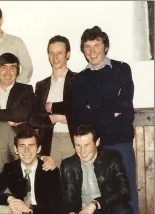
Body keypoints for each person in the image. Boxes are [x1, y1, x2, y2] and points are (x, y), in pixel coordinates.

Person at [72, 26, 138, 214]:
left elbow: (124, 108)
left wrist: (94, 109)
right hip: (95, 147)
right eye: (87, 47)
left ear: (106, 47)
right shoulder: (79, 79)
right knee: (100, 197)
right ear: (83, 50)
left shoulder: (122, 69)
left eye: (97, 45)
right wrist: (111, 111)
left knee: (128, 194)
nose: (92, 51)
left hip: (121, 141)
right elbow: (82, 116)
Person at [0, 127, 62, 214]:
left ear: (38, 149)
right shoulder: (11, 168)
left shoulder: (50, 171)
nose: (26, 151)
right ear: (16, 149)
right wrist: (10, 199)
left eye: (31, 146)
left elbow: (56, 208)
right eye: (22, 146)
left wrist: (29, 209)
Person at [61, 124, 133, 214]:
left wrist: (96, 203)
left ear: (97, 142)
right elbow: (69, 199)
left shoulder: (112, 158)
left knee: (124, 210)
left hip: (108, 208)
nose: (82, 151)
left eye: (87, 145)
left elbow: (125, 192)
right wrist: (71, 211)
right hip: (83, 211)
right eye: (78, 145)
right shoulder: (68, 165)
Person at [30, 35, 76, 167]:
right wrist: (56, 118)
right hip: (49, 141)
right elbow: (34, 119)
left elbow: (79, 110)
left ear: (68, 54)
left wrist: (52, 108)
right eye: (52, 53)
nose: (55, 57)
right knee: (52, 184)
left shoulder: (79, 80)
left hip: (72, 139)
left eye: (59, 53)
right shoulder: (41, 85)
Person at [0, 53, 35, 133]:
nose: (8, 72)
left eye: (12, 68)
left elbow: (24, 113)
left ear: (17, 72)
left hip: (18, 137)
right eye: (4, 68)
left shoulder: (26, 89)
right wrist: (7, 123)